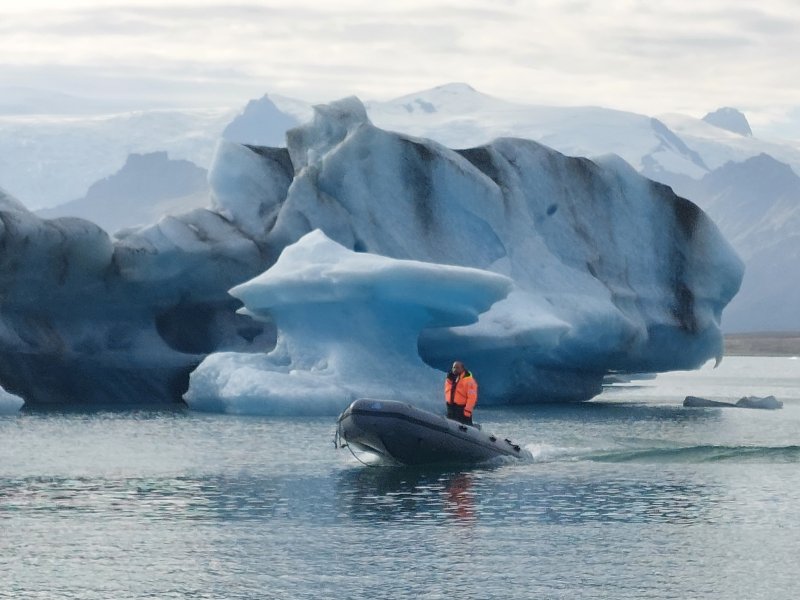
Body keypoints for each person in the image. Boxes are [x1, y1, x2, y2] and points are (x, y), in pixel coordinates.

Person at [444, 361, 478, 425]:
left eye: (457, 368)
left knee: (464, 429)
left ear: (462, 369)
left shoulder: (469, 381)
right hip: (451, 408)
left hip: (462, 410)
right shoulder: (450, 379)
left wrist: (467, 411)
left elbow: (472, 398)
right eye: (454, 367)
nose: (455, 369)